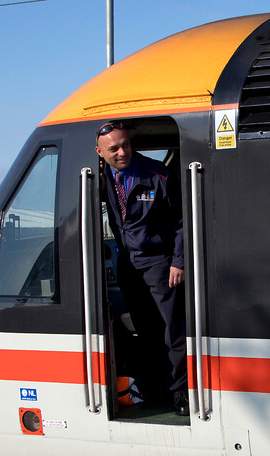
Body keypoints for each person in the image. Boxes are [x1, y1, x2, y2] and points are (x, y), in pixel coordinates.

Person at [95, 121, 188, 416]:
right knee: (146, 331)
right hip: (128, 265)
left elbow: (181, 222)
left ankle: (180, 392)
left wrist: (178, 261)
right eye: (114, 149)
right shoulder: (99, 178)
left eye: (126, 145)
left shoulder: (157, 175)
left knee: (171, 330)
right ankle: (154, 387)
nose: (122, 152)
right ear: (100, 152)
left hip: (160, 264)